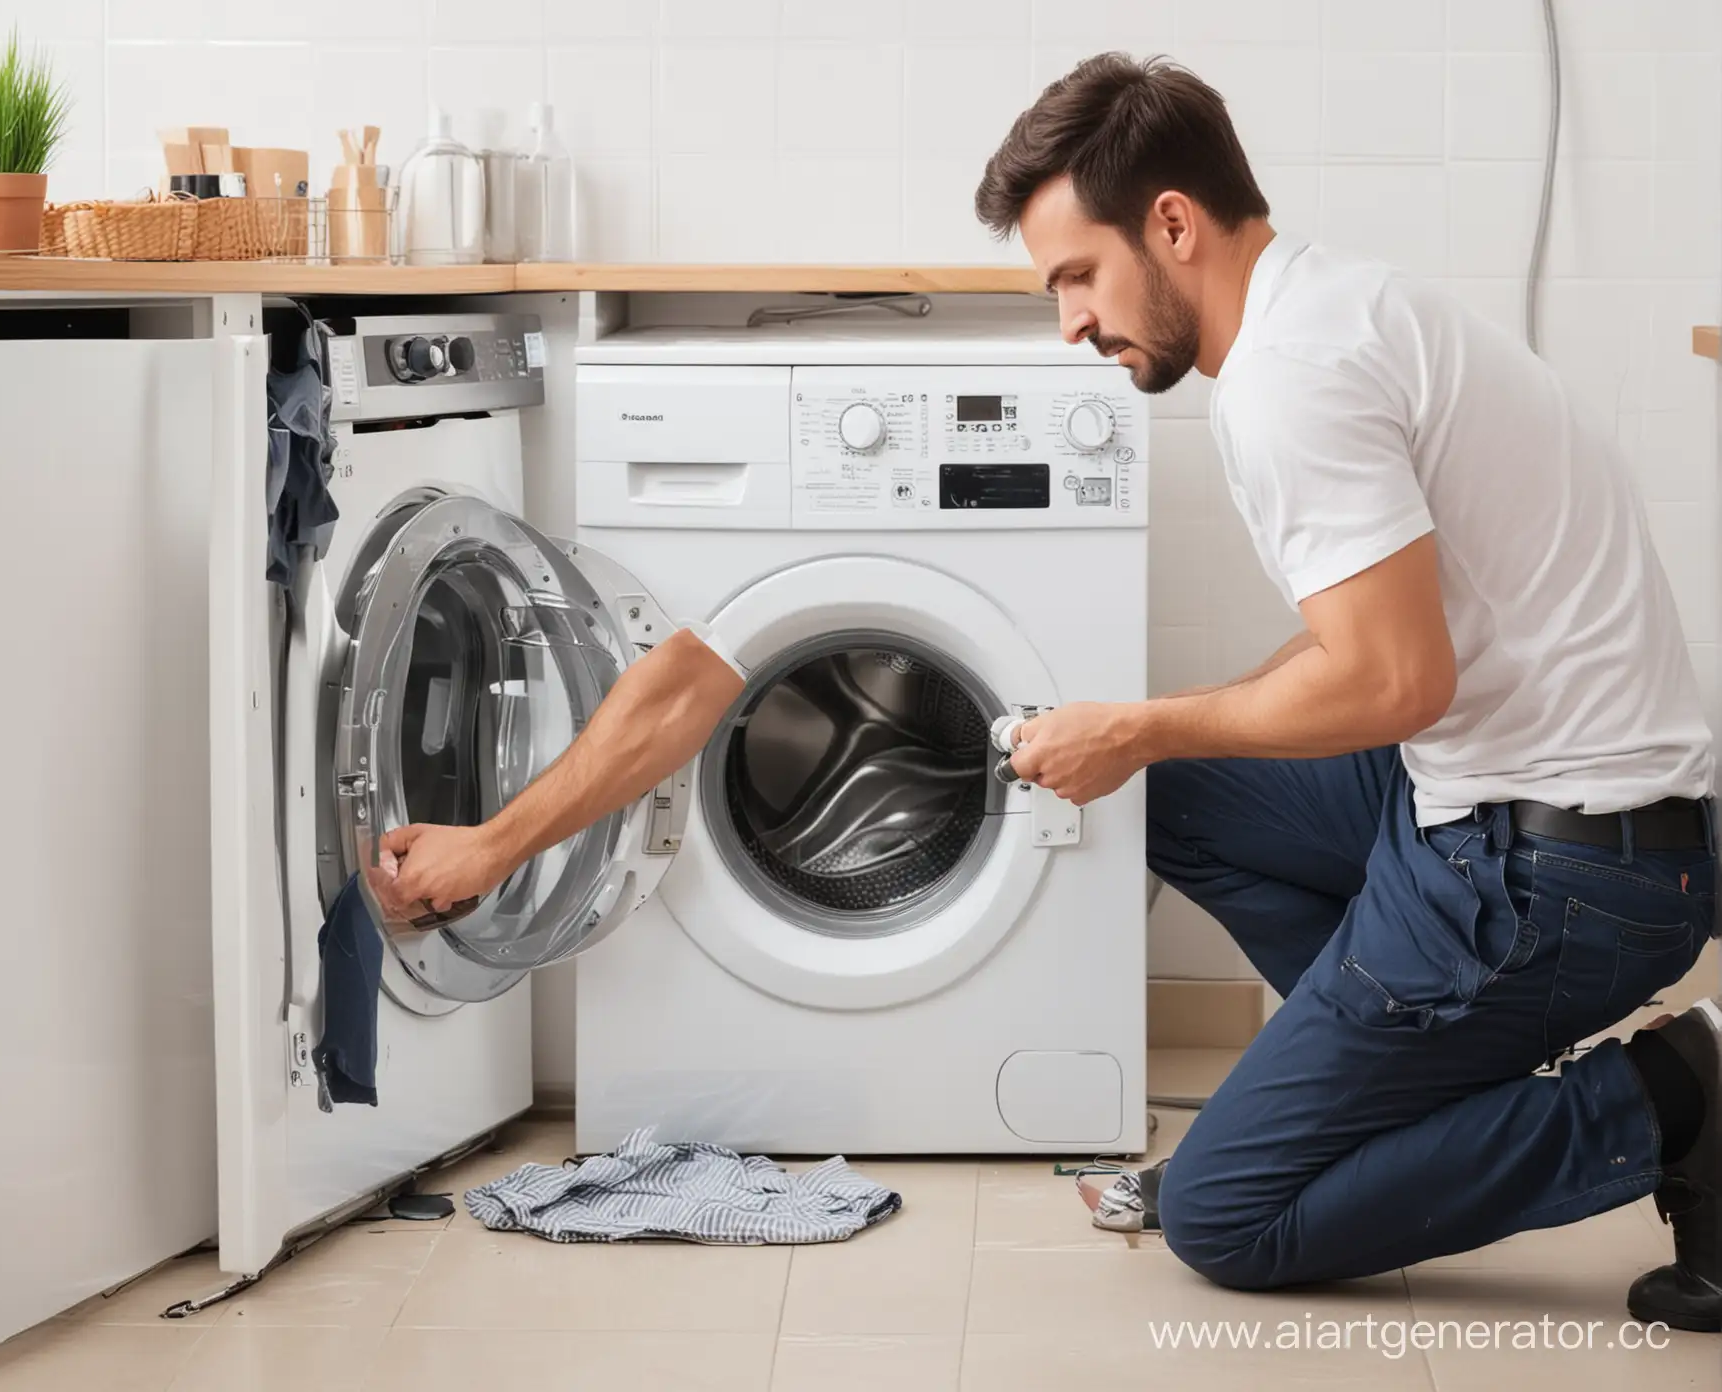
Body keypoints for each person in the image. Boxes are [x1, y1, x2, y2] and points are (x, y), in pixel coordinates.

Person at [374, 53, 1721, 1332]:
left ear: (1175, 224)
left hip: (1554, 873)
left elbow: (1391, 676)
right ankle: (1403, 1083)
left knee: (1228, 1215)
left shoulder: (1293, 383)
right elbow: (1383, 660)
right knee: (1172, 793)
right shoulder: (1341, 309)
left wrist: (1135, 724)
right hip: (1531, 805)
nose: (1069, 321)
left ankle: (1673, 1097)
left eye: (1078, 274)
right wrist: (1150, 744)